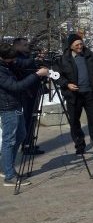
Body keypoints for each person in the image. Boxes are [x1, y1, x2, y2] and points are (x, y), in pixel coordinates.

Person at [0, 43, 48, 186]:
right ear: (3, 58)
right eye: (11, 59)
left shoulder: (8, 63)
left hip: (16, 105)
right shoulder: (1, 71)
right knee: (9, 140)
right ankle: (9, 175)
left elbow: (23, 63)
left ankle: (6, 166)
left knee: (21, 134)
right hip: (8, 107)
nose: (14, 61)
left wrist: (36, 59)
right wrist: (36, 75)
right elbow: (15, 86)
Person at [55, 34, 93, 154]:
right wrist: (67, 84)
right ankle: (79, 144)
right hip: (73, 95)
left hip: (90, 93)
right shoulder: (63, 59)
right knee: (74, 121)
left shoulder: (91, 56)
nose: (79, 46)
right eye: (76, 45)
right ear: (70, 46)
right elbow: (58, 76)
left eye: (81, 44)